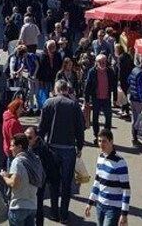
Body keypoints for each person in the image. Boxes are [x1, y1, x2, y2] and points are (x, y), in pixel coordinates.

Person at [38, 80, 85, 223]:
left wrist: (40, 145)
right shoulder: (73, 105)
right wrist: (80, 146)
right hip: (69, 149)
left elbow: (42, 127)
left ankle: (54, 212)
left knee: (53, 182)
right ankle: (64, 214)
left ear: (56, 89)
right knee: (66, 183)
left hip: (52, 148)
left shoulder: (48, 103)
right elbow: (79, 127)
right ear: (67, 89)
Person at [84, 128, 130, 226]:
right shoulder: (100, 157)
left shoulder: (120, 162)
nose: (101, 144)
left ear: (111, 141)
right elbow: (97, 182)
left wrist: (124, 213)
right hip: (100, 205)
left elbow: (126, 189)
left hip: (113, 208)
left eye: (104, 141)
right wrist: (90, 202)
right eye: (99, 141)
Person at [1, 133, 44, 226]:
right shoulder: (34, 159)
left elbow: (15, 183)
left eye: (12, 146)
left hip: (18, 207)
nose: (10, 148)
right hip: (32, 206)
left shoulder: (17, 161)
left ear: (19, 147)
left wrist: (4, 177)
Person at [25, 126, 57, 226]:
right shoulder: (24, 147)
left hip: (38, 184)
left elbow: (51, 166)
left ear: (36, 138)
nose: (27, 140)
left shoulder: (43, 149)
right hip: (27, 184)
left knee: (38, 207)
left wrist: (47, 180)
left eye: (29, 138)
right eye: (25, 137)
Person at [84, 54, 117, 143]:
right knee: (95, 118)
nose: (103, 64)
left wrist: (115, 98)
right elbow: (87, 87)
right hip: (96, 98)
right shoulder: (92, 72)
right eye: (100, 62)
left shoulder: (110, 71)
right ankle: (97, 135)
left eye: (104, 62)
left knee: (108, 118)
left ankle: (107, 136)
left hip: (106, 98)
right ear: (96, 62)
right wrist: (86, 100)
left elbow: (114, 85)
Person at [127, 56, 142, 145]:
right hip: (138, 100)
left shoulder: (134, 69)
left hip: (132, 97)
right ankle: (139, 137)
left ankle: (133, 137)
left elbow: (128, 80)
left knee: (134, 118)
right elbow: (141, 89)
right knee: (141, 119)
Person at [3, 99, 26, 169]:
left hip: (8, 148)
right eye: (21, 108)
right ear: (15, 109)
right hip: (14, 151)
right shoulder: (13, 122)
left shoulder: (7, 117)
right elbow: (16, 138)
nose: (22, 110)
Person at [114, 44, 133, 118]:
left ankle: (125, 111)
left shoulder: (120, 58)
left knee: (123, 95)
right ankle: (124, 110)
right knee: (124, 94)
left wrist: (118, 79)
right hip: (128, 78)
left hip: (122, 79)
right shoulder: (127, 56)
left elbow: (120, 71)